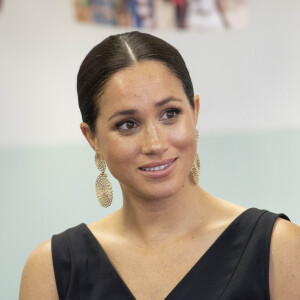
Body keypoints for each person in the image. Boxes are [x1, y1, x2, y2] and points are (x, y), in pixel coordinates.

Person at [19, 31, 300, 300]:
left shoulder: (281, 247)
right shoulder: (52, 270)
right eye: (127, 124)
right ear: (92, 137)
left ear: (195, 111)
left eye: (170, 113)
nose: (155, 144)